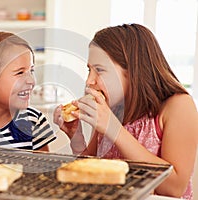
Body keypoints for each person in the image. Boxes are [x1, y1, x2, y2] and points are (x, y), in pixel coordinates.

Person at [53, 23, 198, 199]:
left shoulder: (179, 105)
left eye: (99, 70)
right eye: (89, 70)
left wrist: (113, 129)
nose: (89, 81)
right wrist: (76, 137)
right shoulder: (110, 107)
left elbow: (173, 189)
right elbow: (90, 172)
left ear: (132, 71)